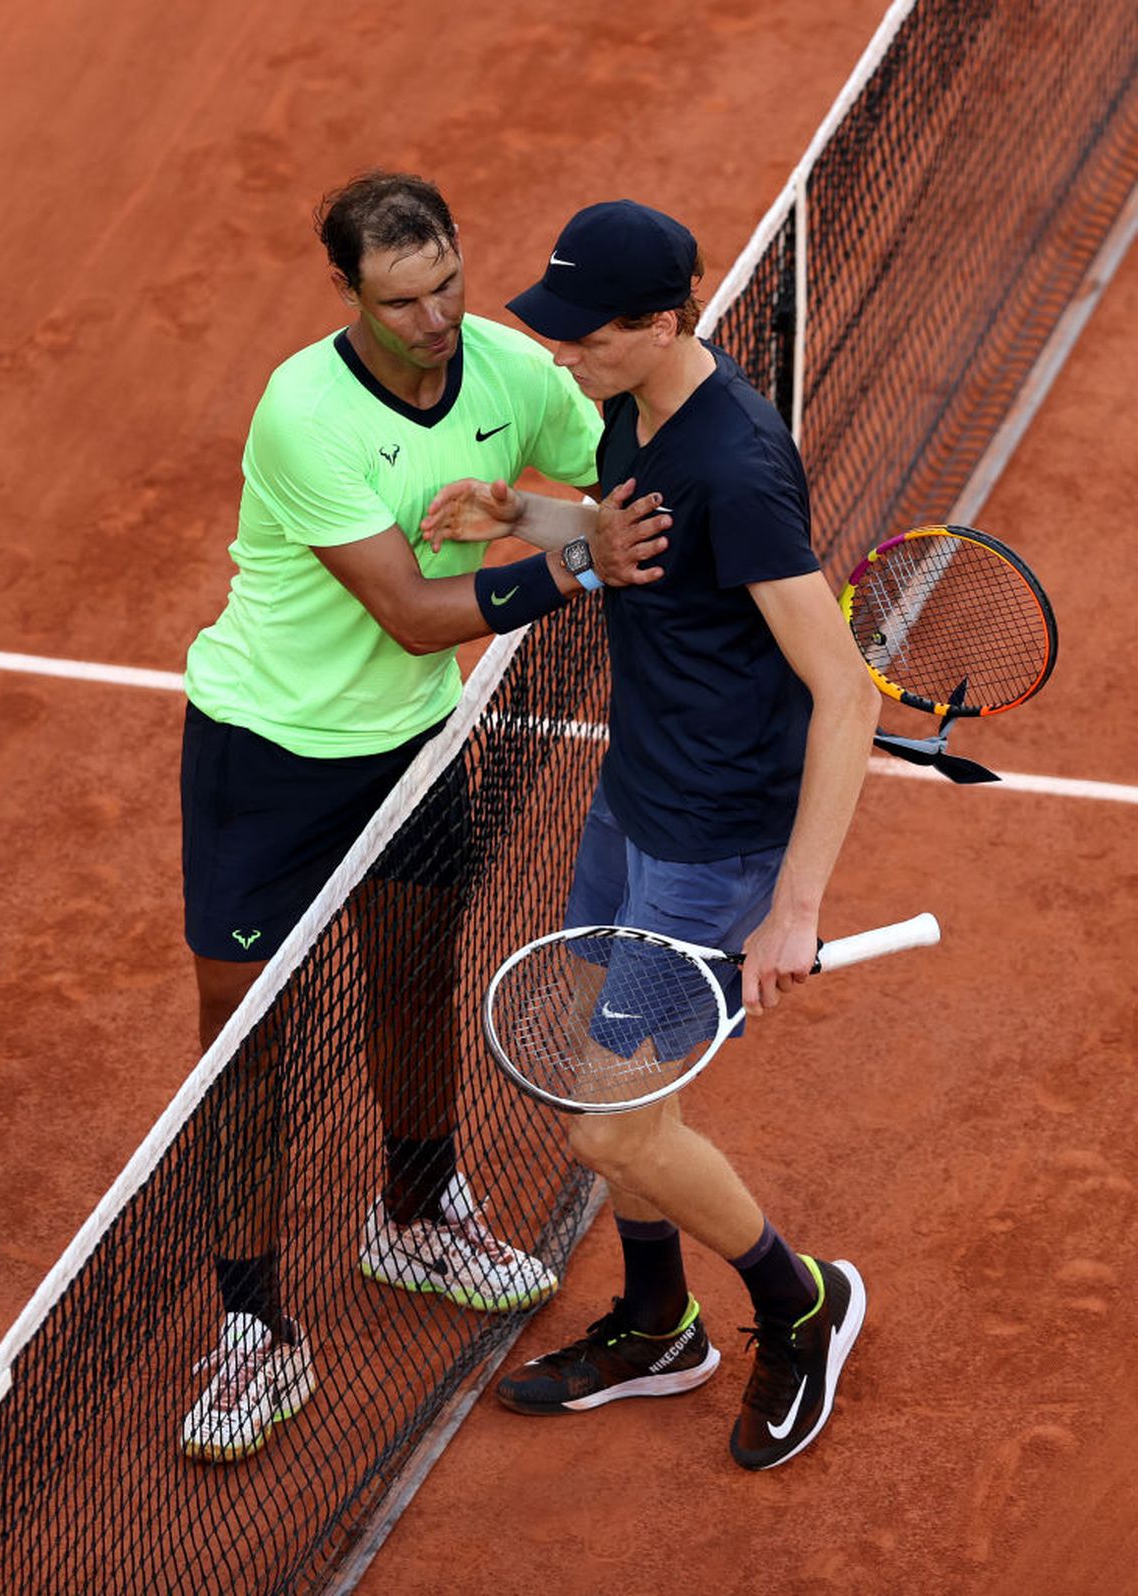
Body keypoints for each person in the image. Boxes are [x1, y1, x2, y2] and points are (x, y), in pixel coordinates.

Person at [178, 172, 671, 1463]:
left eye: (447, 282)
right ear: (348, 296)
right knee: (246, 1051)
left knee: (412, 987)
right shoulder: (305, 414)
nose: (437, 316)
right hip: (266, 757)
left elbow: (611, 467)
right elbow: (412, 612)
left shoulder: (508, 372)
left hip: (409, 749)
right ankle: (250, 1327)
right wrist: (569, 559)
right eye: (402, 301)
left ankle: (411, 1212)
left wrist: (555, 512)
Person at [420, 199, 881, 1471]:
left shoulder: (736, 465)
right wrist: (529, 516)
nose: (563, 354)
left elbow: (845, 690)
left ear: (663, 321)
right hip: (635, 800)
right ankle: (658, 1320)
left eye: (587, 337)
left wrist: (793, 908)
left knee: (612, 1130)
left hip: (715, 844)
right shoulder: (636, 406)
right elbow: (645, 553)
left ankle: (802, 1307)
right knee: (595, 1075)